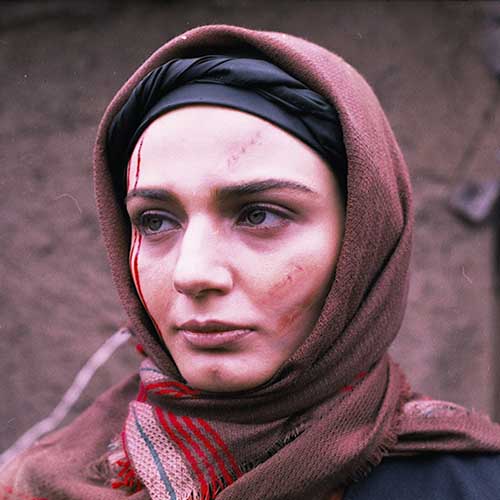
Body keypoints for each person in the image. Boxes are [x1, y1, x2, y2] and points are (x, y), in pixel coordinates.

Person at [1, 24, 500, 500]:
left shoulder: (470, 487)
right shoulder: (42, 483)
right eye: (154, 221)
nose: (192, 273)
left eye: (259, 214)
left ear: (363, 240)